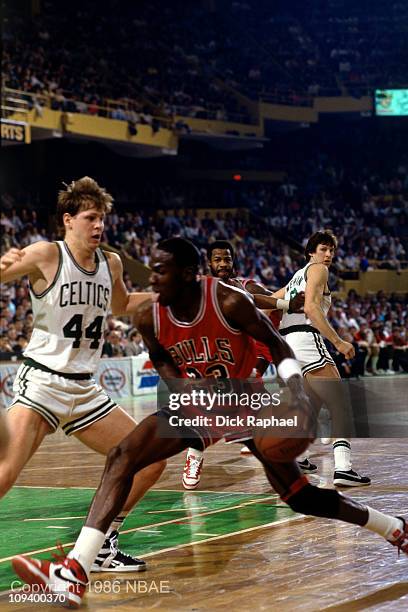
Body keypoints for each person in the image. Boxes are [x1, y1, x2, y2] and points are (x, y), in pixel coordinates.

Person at [12, 238, 407, 608]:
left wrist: (296, 391)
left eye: (161, 270)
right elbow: (161, 358)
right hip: (200, 402)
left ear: (186, 274)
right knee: (124, 454)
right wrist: (182, 387)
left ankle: (391, 527)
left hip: (244, 402)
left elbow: (276, 343)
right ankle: (76, 569)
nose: (151, 278)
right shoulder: (149, 316)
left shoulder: (227, 300)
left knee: (299, 496)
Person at [0, 177, 166, 572]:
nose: (99, 226)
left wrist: (170, 294)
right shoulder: (45, 255)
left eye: (102, 219)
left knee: (149, 462)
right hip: (42, 381)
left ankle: (102, 543)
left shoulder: (111, 262)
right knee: (5, 473)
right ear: (68, 220)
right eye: (91, 218)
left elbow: (122, 305)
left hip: (85, 391)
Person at [183, 240, 303, 489]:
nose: (223, 264)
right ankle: (193, 458)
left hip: (241, 364)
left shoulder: (244, 286)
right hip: (211, 362)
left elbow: (261, 298)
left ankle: (284, 464)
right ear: (209, 262)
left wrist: (286, 304)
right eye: (218, 259)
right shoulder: (200, 288)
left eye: (227, 259)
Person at [275, 230, 371, 486]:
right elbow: (311, 308)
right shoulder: (318, 270)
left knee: (314, 403)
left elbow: (267, 303)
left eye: (331, 250)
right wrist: (338, 341)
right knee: (341, 402)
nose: (328, 255)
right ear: (310, 252)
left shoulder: (295, 277)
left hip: (287, 345)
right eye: (323, 249)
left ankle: (299, 456)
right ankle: (343, 468)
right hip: (306, 339)